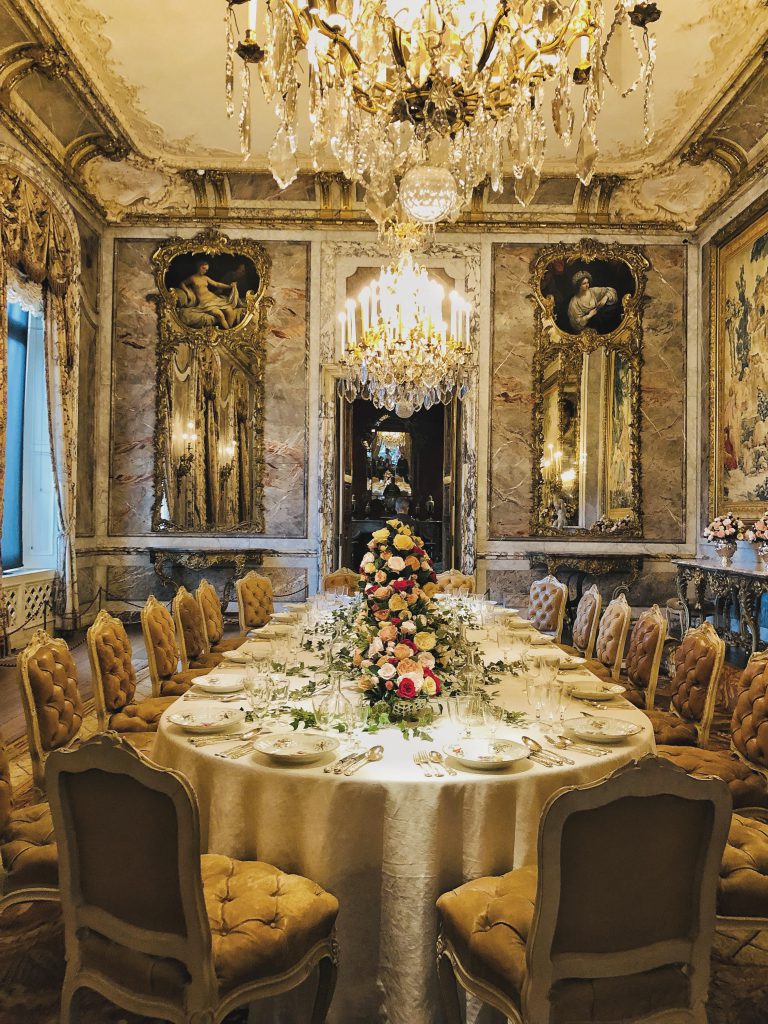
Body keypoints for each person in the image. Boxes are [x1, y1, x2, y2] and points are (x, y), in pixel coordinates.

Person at [177, 259, 242, 329]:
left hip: (213, 298)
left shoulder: (205, 278)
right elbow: (182, 283)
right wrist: (187, 292)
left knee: (230, 311)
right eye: (203, 268)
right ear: (198, 267)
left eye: (206, 270)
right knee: (219, 315)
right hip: (205, 302)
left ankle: (228, 331)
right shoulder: (192, 278)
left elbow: (217, 284)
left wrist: (229, 286)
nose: (204, 271)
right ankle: (228, 332)